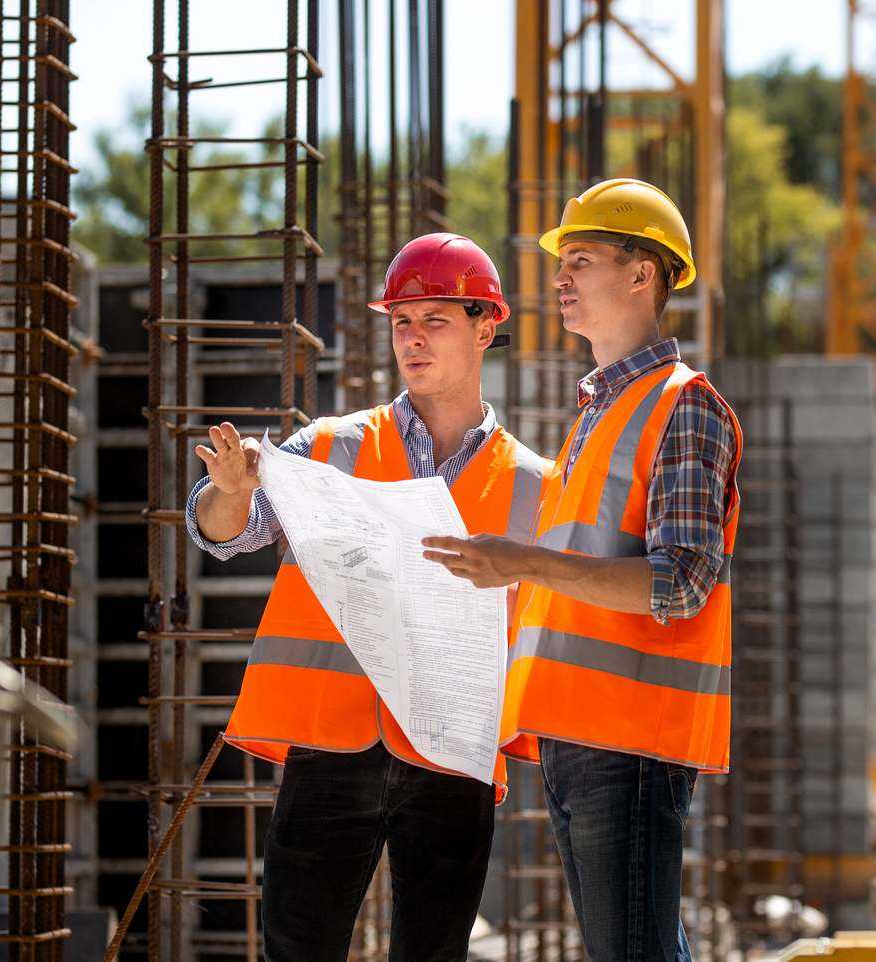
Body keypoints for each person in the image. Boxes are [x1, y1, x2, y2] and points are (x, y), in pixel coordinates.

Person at [185, 233, 548, 962]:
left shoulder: (537, 485)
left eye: (434, 321)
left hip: (451, 758)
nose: (412, 340)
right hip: (331, 741)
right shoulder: (329, 446)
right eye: (401, 323)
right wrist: (227, 494)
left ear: (486, 326)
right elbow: (226, 532)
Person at [423, 179, 742, 962]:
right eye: (561, 261)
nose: (559, 277)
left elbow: (682, 579)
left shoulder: (682, 404)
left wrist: (521, 562)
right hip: (578, 731)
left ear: (643, 275)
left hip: (630, 736)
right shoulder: (598, 413)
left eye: (584, 258)